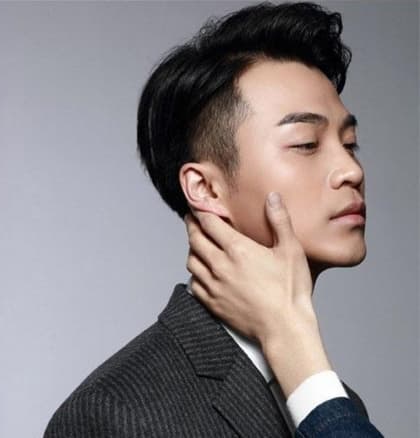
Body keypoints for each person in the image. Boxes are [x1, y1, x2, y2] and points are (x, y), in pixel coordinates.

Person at [45, 3, 369, 437]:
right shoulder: (114, 413)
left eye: (350, 143)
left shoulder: (332, 400)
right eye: (306, 143)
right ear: (205, 188)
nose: (351, 170)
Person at [185, 194, 383, 437]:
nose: (353, 175)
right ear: (205, 188)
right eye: (306, 156)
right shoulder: (140, 407)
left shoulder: (341, 402)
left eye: (352, 154)